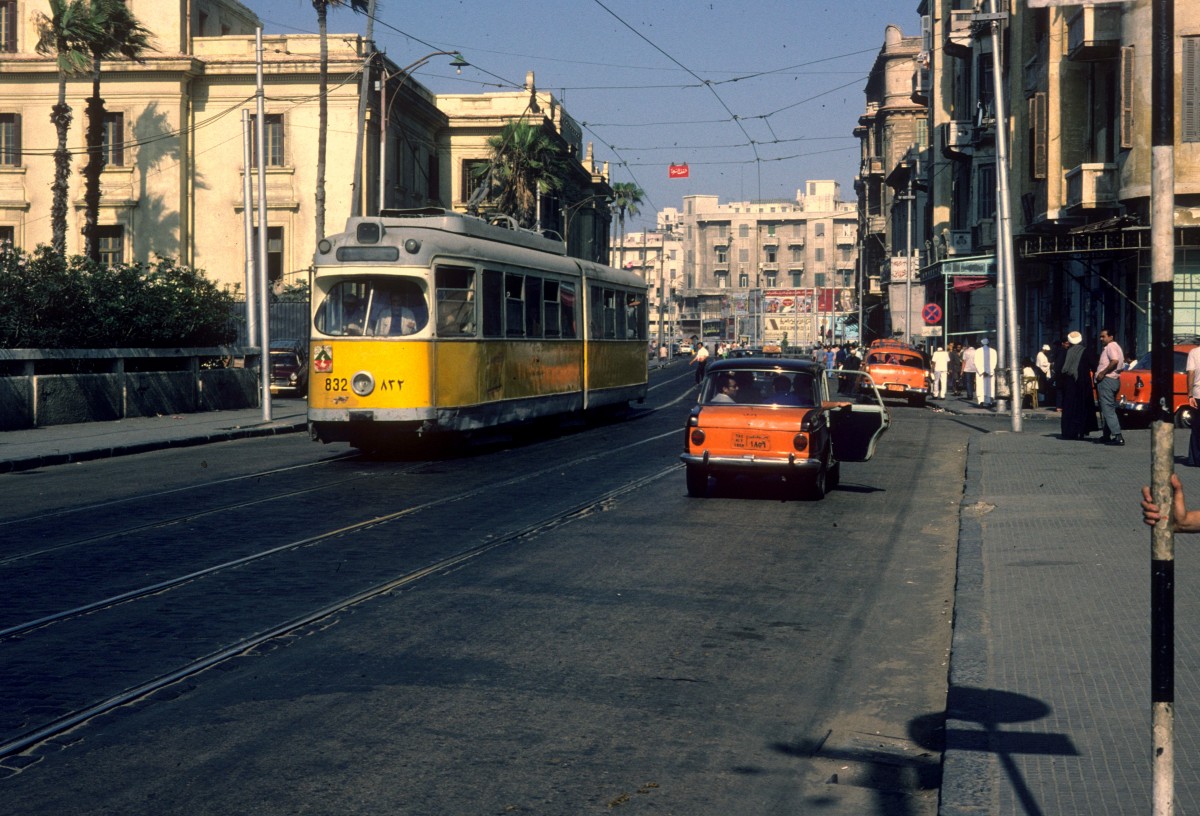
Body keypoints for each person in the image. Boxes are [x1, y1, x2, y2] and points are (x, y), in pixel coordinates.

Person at [1059, 330, 1099, 440]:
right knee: (1082, 406)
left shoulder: (1066, 352)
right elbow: (1094, 365)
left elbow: (1060, 368)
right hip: (1083, 383)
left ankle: (1069, 432)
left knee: (1070, 407)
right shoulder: (1086, 351)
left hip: (1069, 383)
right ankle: (1082, 430)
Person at [1094, 327, 1125, 445]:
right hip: (1113, 379)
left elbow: (1115, 361)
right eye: (1100, 336)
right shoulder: (1115, 347)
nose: (1101, 339)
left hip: (1107, 380)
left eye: (1103, 336)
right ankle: (1106, 435)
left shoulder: (1111, 346)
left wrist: (1103, 373)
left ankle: (1118, 436)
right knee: (1108, 408)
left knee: (1108, 409)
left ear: (1111, 337)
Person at [1185, 344, 1200, 466]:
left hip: (1198, 394)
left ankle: (1195, 458)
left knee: (1196, 427)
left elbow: (1191, 373)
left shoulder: (1194, 352)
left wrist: (1190, 395)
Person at [974, 338, 998, 407]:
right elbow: (994, 362)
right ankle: (989, 402)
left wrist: (982, 371)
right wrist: (989, 371)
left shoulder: (977, 351)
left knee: (980, 387)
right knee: (989, 387)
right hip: (990, 373)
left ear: (981, 344)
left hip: (980, 373)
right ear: (988, 343)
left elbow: (976, 362)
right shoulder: (993, 351)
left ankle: (980, 401)